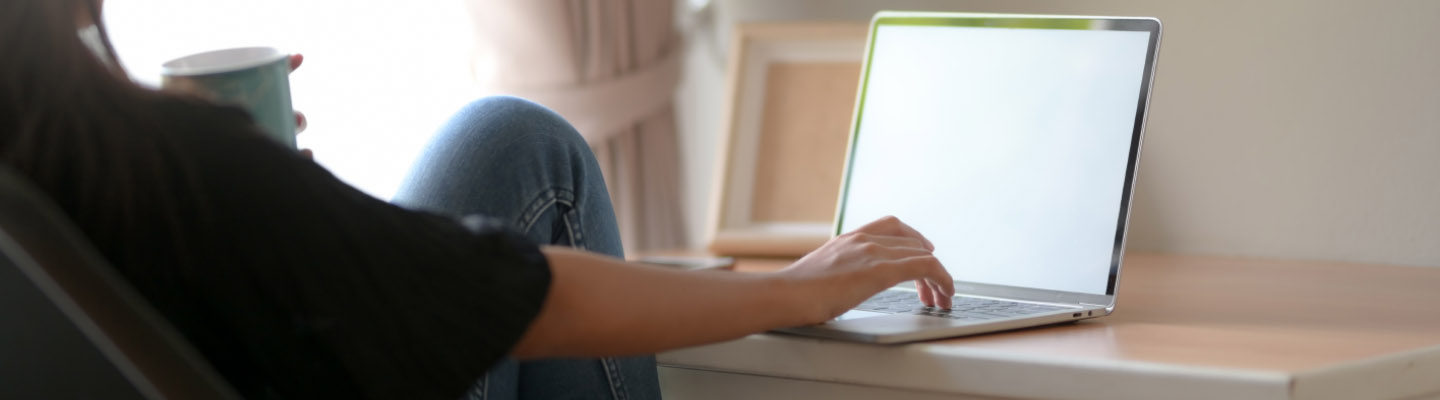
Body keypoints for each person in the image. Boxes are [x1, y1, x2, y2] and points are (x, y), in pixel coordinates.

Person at [0, 0, 956, 399]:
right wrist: (796, 288)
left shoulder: (56, 174)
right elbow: (514, 297)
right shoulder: (167, 175)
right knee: (518, 147)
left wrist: (250, 188)